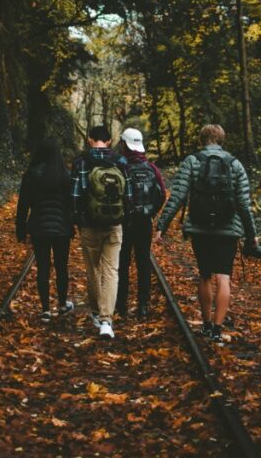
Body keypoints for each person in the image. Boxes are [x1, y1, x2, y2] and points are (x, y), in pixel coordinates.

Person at [155, 124, 260, 343]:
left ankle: (206, 323)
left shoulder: (192, 161)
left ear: (202, 139)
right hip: (228, 229)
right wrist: (251, 235)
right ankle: (217, 329)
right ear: (222, 140)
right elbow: (243, 203)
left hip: (200, 227)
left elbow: (178, 195)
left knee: (204, 274)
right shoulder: (235, 164)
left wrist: (161, 226)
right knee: (223, 276)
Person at [71, 125, 132, 339]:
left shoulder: (81, 161)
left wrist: (78, 221)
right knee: (111, 271)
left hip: (89, 225)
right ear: (109, 141)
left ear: (89, 140)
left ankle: (97, 314)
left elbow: (75, 196)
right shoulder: (121, 161)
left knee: (93, 271)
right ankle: (107, 321)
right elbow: (129, 196)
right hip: (114, 225)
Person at [15, 138, 76, 322]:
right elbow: (71, 204)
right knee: (61, 267)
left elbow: (23, 204)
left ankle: (45, 309)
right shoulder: (66, 175)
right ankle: (63, 304)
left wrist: (20, 228)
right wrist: (73, 224)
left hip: (39, 228)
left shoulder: (31, 175)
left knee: (43, 268)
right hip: (62, 229)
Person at [115, 128, 166, 320]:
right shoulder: (151, 168)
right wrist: (151, 212)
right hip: (144, 222)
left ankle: (121, 306)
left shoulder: (121, 167)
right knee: (143, 264)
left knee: (122, 263)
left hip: (124, 223)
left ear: (124, 145)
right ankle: (143, 306)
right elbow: (161, 193)